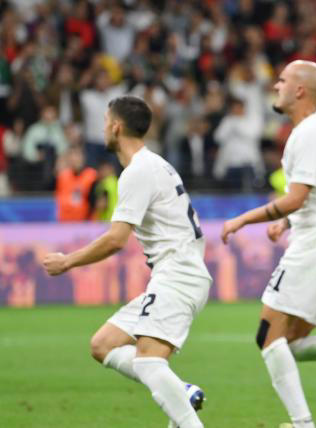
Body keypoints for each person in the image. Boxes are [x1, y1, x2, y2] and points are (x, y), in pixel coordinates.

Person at [42, 96, 210, 428]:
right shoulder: (155, 164)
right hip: (178, 273)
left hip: (179, 274)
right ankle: (180, 390)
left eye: (105, 121)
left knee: (149, 364)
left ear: (116, 127)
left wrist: (67, 262)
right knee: (103, 344)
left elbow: (117, 238)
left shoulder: (138, 171)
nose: (102, 128)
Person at [221, 60, 316, 428]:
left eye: (282, 80)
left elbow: (297, 197)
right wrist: (285, 222)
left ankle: (302, 424)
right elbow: (314, 195)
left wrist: (243, 219)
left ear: (300, 90)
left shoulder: (310, 133)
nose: (276, 86)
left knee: (267, 336)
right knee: (290, 343)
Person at [55, 147, 98, 222]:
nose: (75, 160)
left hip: (85, 222)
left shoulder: (91, 176)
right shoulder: (62, 176)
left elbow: (94, 201)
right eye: (72, 157)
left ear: (83, 158)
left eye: (78, 156)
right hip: (65, 222)